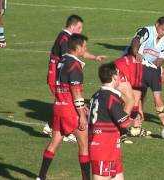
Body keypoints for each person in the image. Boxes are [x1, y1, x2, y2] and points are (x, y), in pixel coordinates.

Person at [43, 14, 106, 141]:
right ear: (72, 26)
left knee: (64, 102)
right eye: (79, 28)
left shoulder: (67, 38)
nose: (80, 31)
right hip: (57, 78)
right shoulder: (65, 38)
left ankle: (53, 127)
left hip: (58, 78)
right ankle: (64, 131)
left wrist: (94, 57)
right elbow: (69, 58)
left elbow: (78, 53)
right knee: (67, 102)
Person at [37, 34, 91, 180]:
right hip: (70, 111)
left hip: (58, 107)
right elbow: (75, 91)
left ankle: (41, 177)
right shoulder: (75, 65)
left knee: (54, 142)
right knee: (84, 145)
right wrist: (81, 114)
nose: (86, 48)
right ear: (77, 47)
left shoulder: (62, 61)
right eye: (84, 46)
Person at [88, 62, 134, 180]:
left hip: (108, 147)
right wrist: (134, 122)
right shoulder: (110, 96)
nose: (119, 77)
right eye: (118, 74)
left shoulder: (96, 95)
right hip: (103, 148)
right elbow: (124, 123)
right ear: (114, 77)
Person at [115, 55, 164, 137]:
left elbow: (137, 92)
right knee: (129, 101)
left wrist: (139, 110)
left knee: (134, 103)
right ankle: (120, 130)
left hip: (122, 66)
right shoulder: (156, 76)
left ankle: (136, 129)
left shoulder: (152, 71)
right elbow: (158, 102)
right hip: (119, 69)